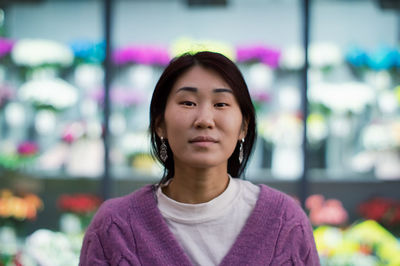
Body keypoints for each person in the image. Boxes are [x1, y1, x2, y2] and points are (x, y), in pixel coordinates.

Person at [79, 51, 320, 265]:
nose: (204, 119)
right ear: (160, 125)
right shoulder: (114, 227)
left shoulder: (284, 222)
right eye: (188, 102)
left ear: (244, 127)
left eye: (221, 104)